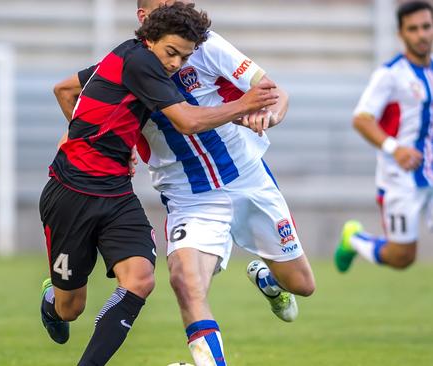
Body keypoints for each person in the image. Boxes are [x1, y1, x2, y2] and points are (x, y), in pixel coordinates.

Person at [54, 1, 316, 364]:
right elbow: (68, 91)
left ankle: (268, 279)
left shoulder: (207, 46)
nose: (177, 59)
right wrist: (104, 143)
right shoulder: (124, 65)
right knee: (186, 284)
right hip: (189, 196)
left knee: (302, 285)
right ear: (144, 21)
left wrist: (268, 115)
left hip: (247, 179)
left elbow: (273, 92)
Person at [335, 1, 433, 272]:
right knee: (402, 257)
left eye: (426, 27)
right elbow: (361, 119)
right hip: (400, 178)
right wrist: (395, 148)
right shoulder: (389, 75)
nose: (422, 34)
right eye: (413, 29)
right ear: (401, 34)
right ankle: (354, 238)